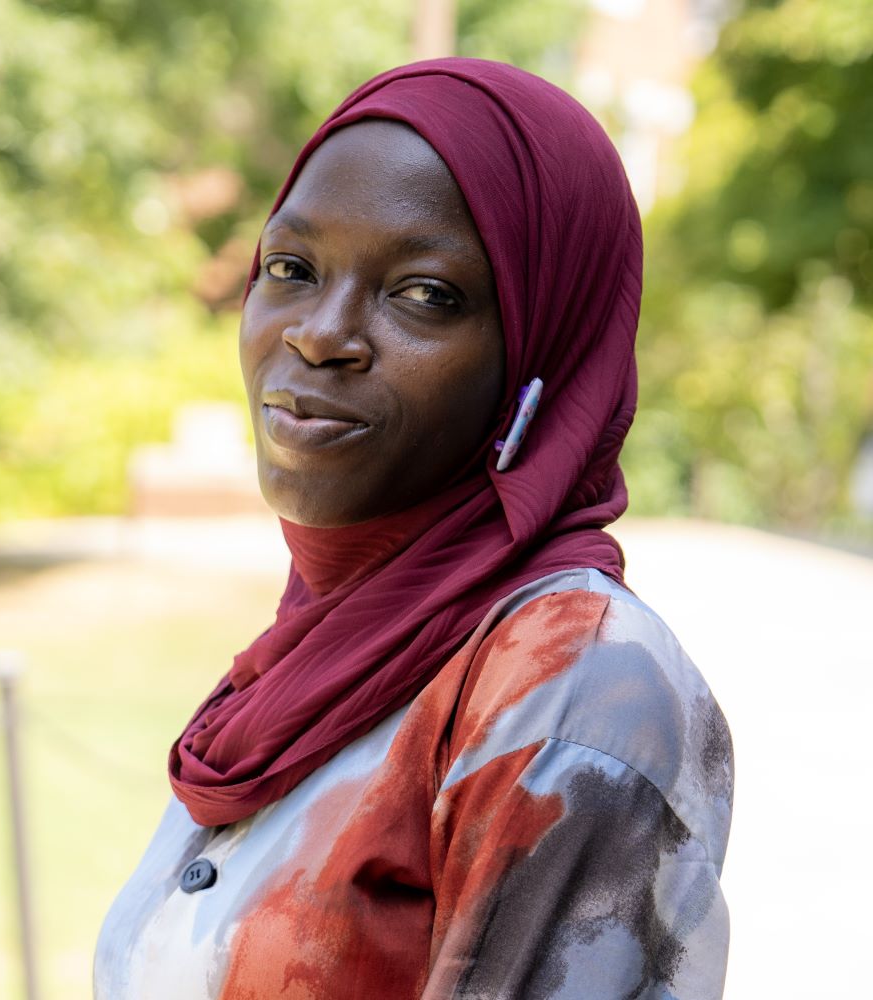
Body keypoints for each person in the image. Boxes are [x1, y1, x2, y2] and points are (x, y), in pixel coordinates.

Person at [95, 58, 733, 1000]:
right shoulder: (320, 645)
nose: (320, 334)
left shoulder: (572, 687)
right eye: (291, 269)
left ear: (543, 359)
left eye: (425, 294)